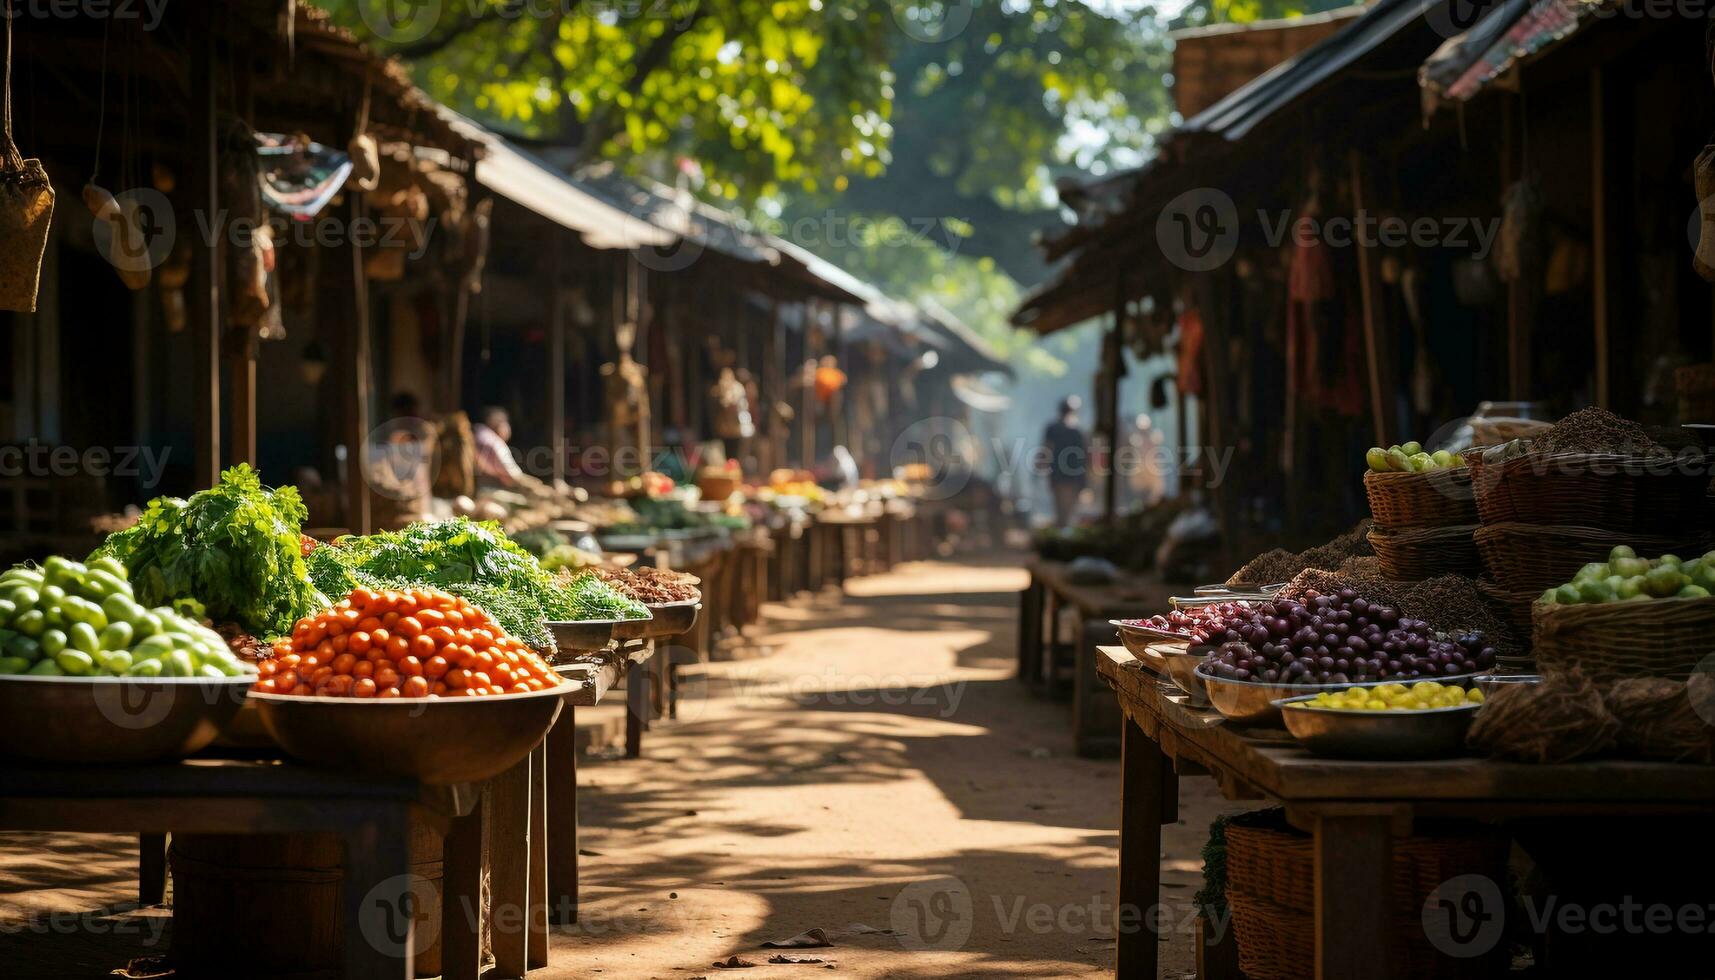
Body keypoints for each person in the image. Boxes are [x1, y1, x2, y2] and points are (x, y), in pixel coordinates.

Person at [1041, 396, 1088, 528]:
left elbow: (1045, 450)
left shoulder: (1056, 429)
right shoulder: (1077, 432)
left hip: (1060, 478)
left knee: (1063, 513)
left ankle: (1063, 537)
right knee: (1067, 514)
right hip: (1070, 479)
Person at [473, 406, 529, 490]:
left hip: (477, 488)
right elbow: (514, 476)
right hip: (488, 491)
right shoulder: (494, 442)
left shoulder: (477, 433)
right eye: (506, 423)